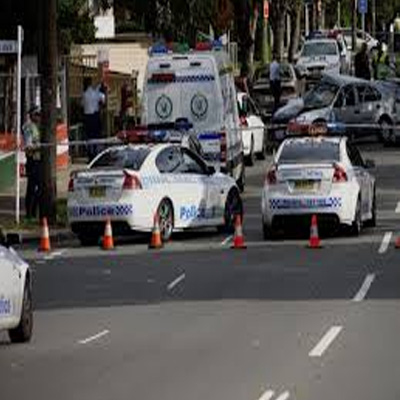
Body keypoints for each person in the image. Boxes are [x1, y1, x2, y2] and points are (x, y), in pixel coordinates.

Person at [23, 106, 42, 220]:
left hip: (39, 160)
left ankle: (35, 212)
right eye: (37, 114)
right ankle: (29, 213)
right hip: (32, 160)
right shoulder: (29, 127)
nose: (39, 117)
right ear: (31, 115)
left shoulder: (39, 126)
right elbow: (28, 146)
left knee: (40, 187)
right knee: (32, 187)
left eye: (39, 114)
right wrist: (40, 147)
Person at [82, 77, 106, 160]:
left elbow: (82, 104)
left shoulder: (84, 94)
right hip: (95, 116)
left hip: (87, 117)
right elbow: (103, 98)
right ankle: (96, 153)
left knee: (89, 136)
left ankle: (90, 154)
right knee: (96, 135)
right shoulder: (95, 93)